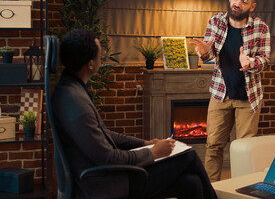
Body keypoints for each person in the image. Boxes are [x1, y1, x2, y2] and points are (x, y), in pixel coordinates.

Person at [52, 29, 217, 199]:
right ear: (90, 64)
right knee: (188, 155)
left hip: (108, 176)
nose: (103, 55)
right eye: (100, 53)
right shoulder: (75, 102)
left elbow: (104, 135)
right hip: (106, 185)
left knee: (192, 183)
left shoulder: (71, 89)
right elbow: (108, 157)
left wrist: (146, 142)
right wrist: (152, 153)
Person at [191, 0, 271, 181]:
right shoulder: (216, 21)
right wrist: (203, 51)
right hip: (220, 93)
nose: (238, 3)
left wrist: (250, 62)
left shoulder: (261, 27)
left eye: (244, 1)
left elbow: (265, 60)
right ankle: (211, 190)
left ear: (251, 7)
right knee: (213, 145)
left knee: (244, 149)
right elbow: (210, 53)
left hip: (249, 96)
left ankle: (241, 189)